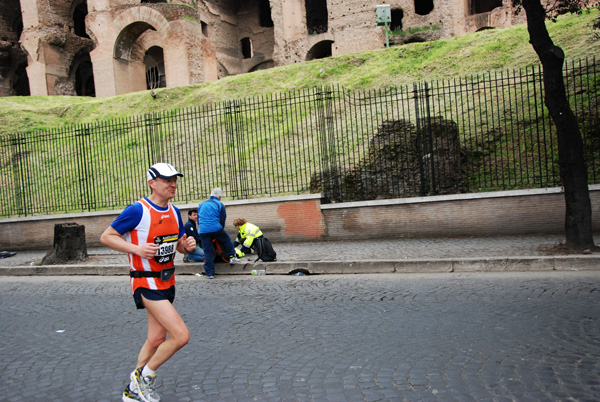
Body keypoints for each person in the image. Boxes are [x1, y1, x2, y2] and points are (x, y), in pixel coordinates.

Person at [100, 162, 196, 402]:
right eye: (166, 180)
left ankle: (132, 392)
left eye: (174, 179)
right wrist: (138, 249)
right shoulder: (137, 210)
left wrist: (187, 246)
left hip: (167, 282)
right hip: (145, 282)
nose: (173, 184)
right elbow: (107, 236)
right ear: (152, 182)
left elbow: (179, 244)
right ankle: (145, 377)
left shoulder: (174, 211)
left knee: (155, 339)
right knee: (181, 335)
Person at [197, 187, 239, 279]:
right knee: (226, 240)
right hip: (215, 228)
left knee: (207, 251)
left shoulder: (201, 204)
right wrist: (220, 229)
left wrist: (202, 228)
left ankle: (210, 273)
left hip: (203, 230)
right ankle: (232, 257)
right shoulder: (219, 204)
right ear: (219, 197)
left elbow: (198, 219)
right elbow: (222, 219)